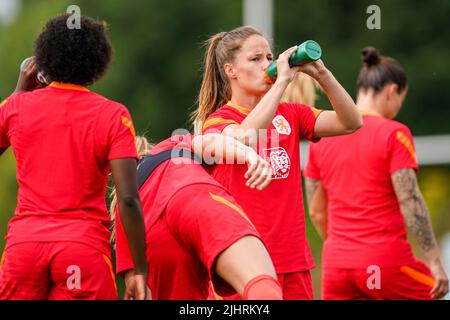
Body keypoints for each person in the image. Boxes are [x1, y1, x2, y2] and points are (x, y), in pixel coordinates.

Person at [193, 26, 362, 299]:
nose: (266, 65)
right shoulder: (220, 119)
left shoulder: (291, 114)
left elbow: (351, 122)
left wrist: (323, 75)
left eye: (269, 58)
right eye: (255, 59)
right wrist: (282, 82)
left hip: (293, 262)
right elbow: (245, 137)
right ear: (230, 70)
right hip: (244, 267)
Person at [0, 14, 147, 300]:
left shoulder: (17, 107)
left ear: (44, 58)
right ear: (98, 61)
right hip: (81, 251)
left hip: (24, 250)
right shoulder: (113, 115)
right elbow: (128, 198)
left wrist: (19, 92)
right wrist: (139, 270)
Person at [303, 47, 449, 300]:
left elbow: (316, 211)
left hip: (337, 266)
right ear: (392, 91)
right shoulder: (394, 133)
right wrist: (435, 262)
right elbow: (410, 200)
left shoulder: (322, 137)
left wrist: (348, 250)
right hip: (386, 264)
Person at [112, 133, 283, 300]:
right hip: (190, 195)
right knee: (260, 284)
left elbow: (138, 287)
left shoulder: (123, 208)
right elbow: (211, 141)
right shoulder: (170, 145)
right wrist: (248, 155)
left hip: (150, 232)